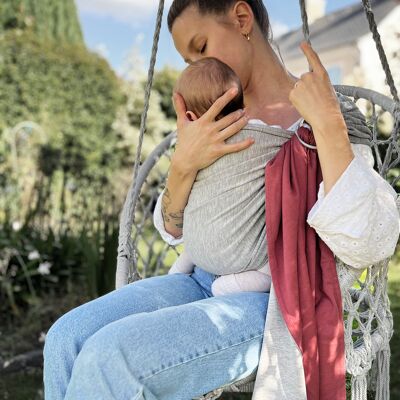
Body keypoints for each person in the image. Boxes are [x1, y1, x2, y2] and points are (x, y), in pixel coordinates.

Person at [43, 1, 399, 399]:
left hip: (269, 302)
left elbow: (370, 238)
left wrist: (328, 124)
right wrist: (182, 167)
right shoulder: (210, 121)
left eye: (201, 46)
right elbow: (175, 230)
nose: (194, 67)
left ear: (242, 20)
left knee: (111, 358)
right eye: (186, 59)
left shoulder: (324, 115)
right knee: (66, 337)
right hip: (197, 281)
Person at [167, 55, 273, 296]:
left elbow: (172, 227)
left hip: (212, 254)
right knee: (223, 284)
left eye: (201, 46)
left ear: (190, 117)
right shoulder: (265, 137)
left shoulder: (191, 147)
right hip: (237, 258)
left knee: (198, 260)